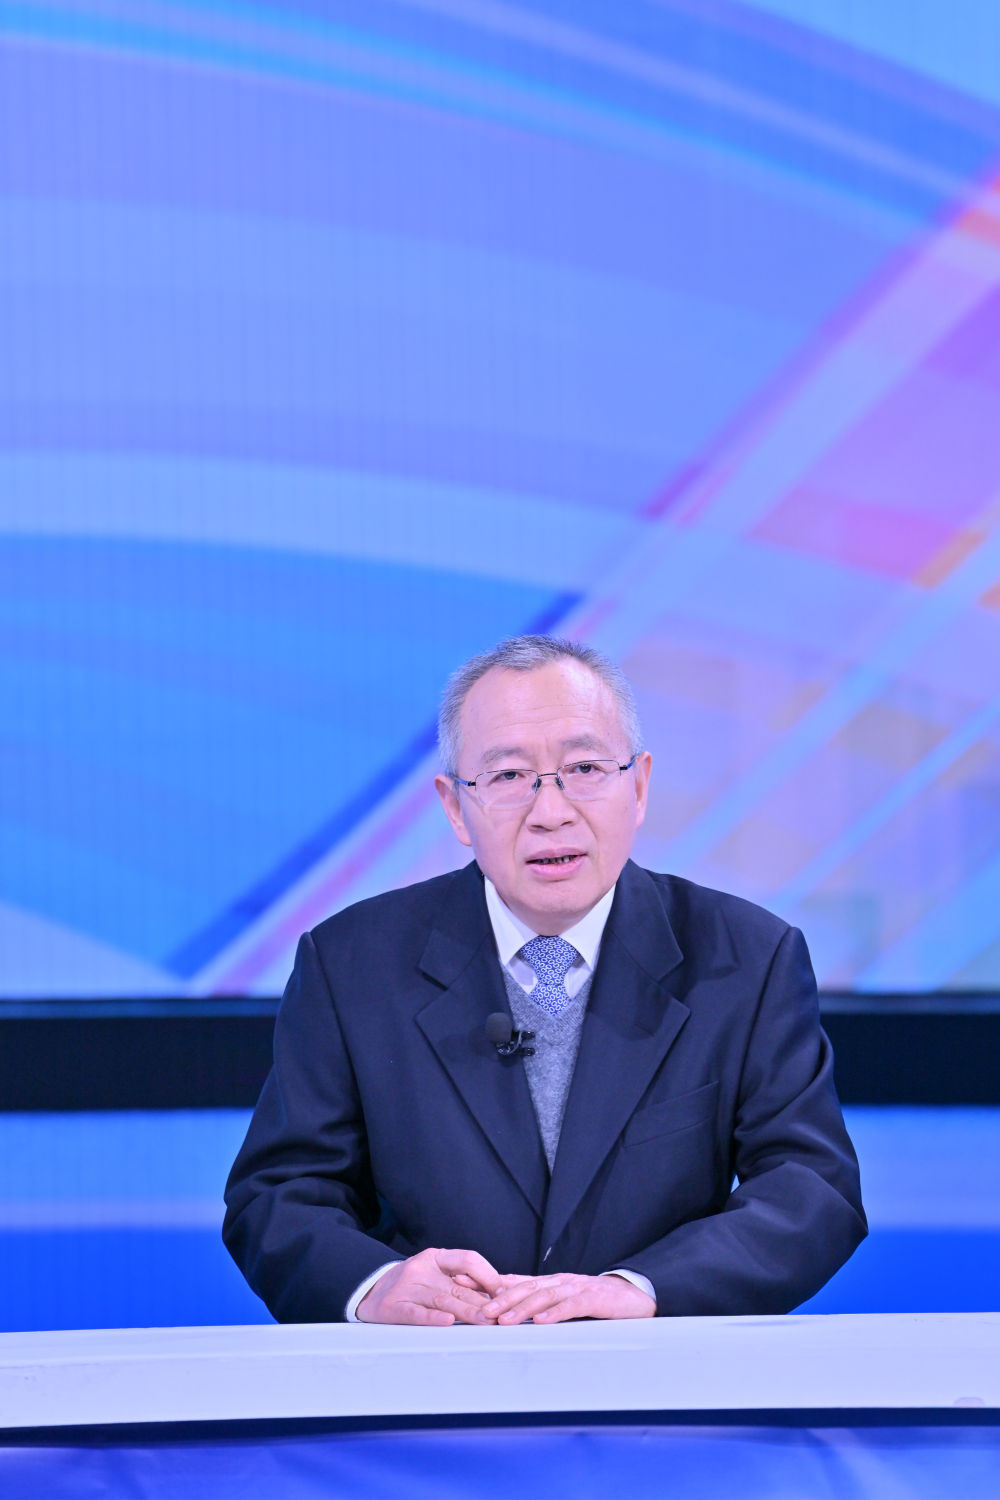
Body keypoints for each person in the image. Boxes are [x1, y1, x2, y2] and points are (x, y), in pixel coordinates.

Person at [223, 635, 865, 1325]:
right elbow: (279, 1195)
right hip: (433, 1371)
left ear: (639, 786)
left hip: (658, 1374)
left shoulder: (748, 957)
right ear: (454, 806)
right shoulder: (352, 964)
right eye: (508, 776)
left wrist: (643, 1288)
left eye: (585, 768)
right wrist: (375, 1287)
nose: (551, 812)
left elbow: (810, 1189)